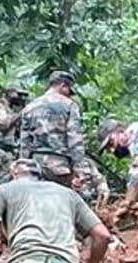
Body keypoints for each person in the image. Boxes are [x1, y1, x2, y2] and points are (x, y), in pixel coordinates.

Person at [19, 71, 108, 206]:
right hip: (59, 165)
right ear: (62, 85)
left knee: (36, 204)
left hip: (35, 164)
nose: (69, 94)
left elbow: (25, 142)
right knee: (63, 203)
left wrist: (23, 166)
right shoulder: (69, 105)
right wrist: (79, 169)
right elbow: (74, 138)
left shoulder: (29, 107)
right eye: (68, 90)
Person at [0, 85, 29, 182]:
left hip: (8, 150)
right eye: (18, 95)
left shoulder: (11, 109)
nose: (20, 98)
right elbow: (4, 123)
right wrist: (22, 113)